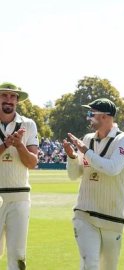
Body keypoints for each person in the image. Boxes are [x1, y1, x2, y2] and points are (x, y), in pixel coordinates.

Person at [62, 98, 124, 269]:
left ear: (105, 117)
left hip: (113, 218)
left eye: (91, 114)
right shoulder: (87, 139)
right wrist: (72, 157)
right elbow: (74, 175)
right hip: (85, 214)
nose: (89, 118)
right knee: (90, 264)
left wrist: (85, 152)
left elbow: (112, 168)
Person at [0, 82, 39, 270]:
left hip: (20, 196)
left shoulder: (28, 124)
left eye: (12, 96)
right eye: (4, 96)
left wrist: (19, 145)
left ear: (17, 100)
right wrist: (6, 145)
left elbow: (32, 163)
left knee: (17, 257)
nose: (9, 100)